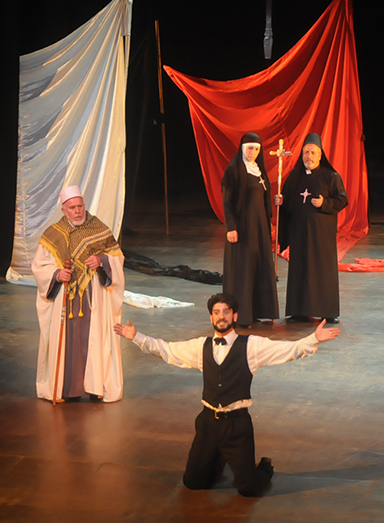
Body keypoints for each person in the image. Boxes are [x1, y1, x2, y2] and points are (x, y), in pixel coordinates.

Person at [113, 293, 341, 496]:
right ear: (211, 318)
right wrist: (136, 336)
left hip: (237, 427)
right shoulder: (200, 346)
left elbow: (287, 350)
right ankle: (217, 458)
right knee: (192, 483)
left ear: (234, 316)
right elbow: (167, 350)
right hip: (208, 424)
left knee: (248, 489)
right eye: (216, 312)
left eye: (226, 312)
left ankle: (264, 468)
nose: (221, 316)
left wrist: (313, 339)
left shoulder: (251, 346)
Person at [32, 185, 125, 403]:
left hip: (93, 298)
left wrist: (101, 261)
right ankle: (68, 389)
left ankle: (95, 386)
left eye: (80, 206)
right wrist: (57, 274)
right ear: (64, 210)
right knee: (69, 342)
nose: (77, 211)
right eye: (72, 208)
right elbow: (39, 266)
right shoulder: (54, 234)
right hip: (65, 298)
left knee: (93, 339)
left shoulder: (98, 228)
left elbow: (117, 258)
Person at [275, 133, 347, 324]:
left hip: (321, 235)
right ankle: (299, 312)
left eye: (313, 152)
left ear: (320, 155)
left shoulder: (331, 176)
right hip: (299, 234)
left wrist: (324, 203)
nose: (309, 156)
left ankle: (327, 312)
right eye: (306, 152)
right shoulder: (295, 176)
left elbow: (342, 200)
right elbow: (288, 204)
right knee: (300, 270)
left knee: (323, 271)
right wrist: (281, 202)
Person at [221, 132, 279, 327]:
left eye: (256, 149)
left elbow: (262, 199)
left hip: (259, 229)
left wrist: (274, 204)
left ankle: (257, 312)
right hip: (242, 228)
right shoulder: (234, 171)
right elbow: (227, 203)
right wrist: (231, 227)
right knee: (243, 271)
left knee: (258, 268)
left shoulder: (259, 171)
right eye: (249, 148)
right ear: (242, 148)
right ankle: (242, 316)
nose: (252, 152)